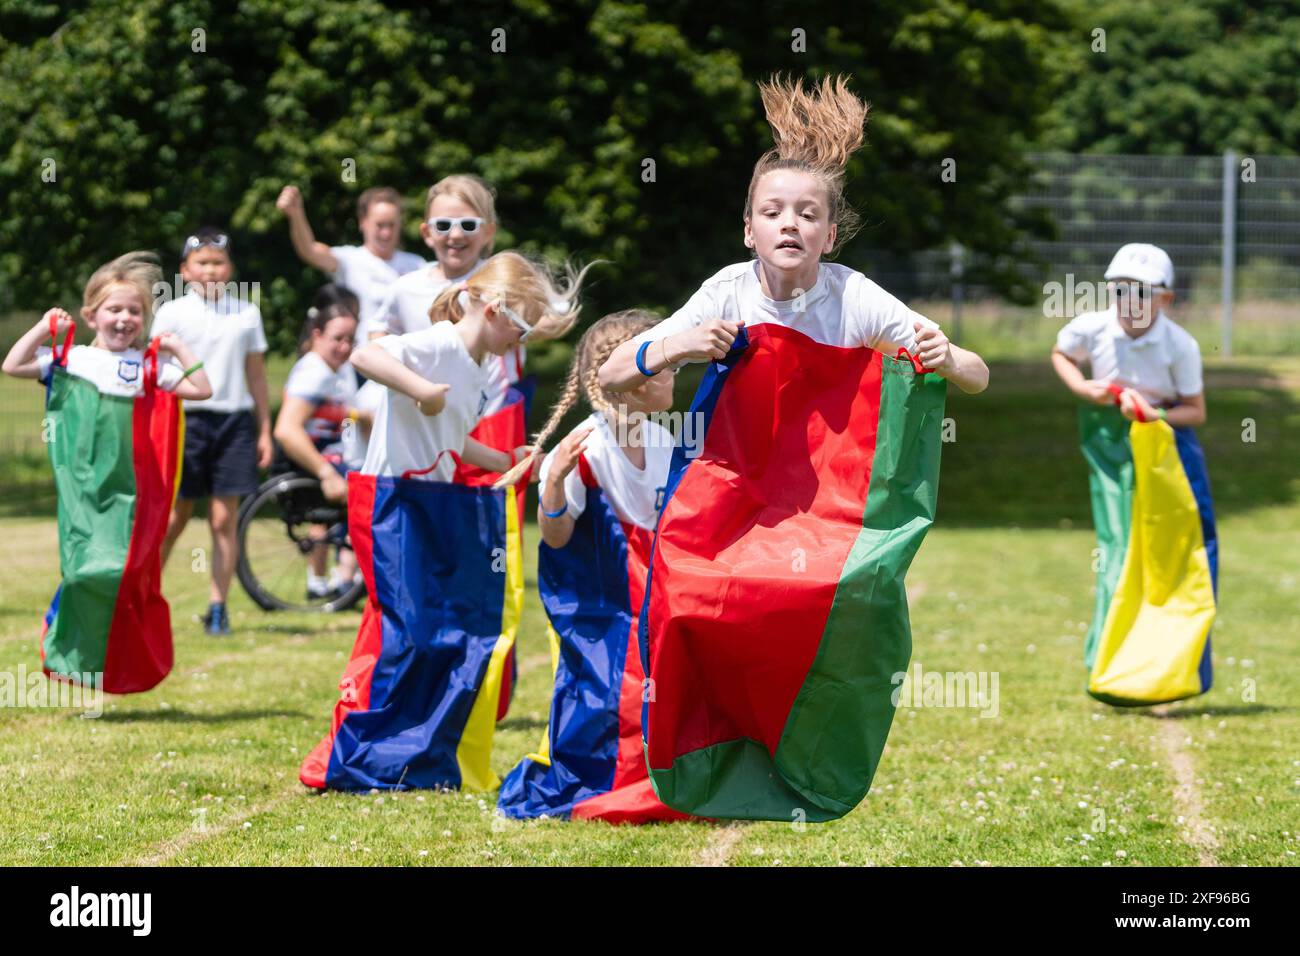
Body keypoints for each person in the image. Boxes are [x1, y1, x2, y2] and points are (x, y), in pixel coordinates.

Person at [594, 74, 989, 822]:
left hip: (829, 509)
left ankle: (808, 759)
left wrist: (945, 353)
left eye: (808, 214)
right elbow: (614, 373)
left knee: (850, 604)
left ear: (828, 235)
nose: (789, 224)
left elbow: (976, 374)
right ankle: (710, 750)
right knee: (689, 600)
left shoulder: (856, 296)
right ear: (748, 228)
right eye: (772, 211)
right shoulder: (725, 290)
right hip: (731, 495)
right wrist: (677, 344)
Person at [299, 251, 590, 793]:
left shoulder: (479, 370)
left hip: (434, 501)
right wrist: (420, 390)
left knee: (436, 634)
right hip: (394, 503)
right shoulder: (439, 345)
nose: (519, 344)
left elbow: (452, 442)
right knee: (409, 632)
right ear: (495, 309)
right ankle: (365, 753)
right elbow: (366, 354)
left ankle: (408, 755)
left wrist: (505, 461)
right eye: (522, 329)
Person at [497, 310, 691, 823]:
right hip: (600, 605)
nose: (672, 370)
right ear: (630, 378)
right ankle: (615, 780)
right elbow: (558, 539)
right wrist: (555, 483)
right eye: (662, 362)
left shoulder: (664, 440)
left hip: (651, 599)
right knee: (610, 694)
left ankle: (662, 776)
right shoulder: (586, 446)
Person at [2, 252, 212, 693]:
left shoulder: (149, 368)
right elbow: (13, 365)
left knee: (128, 574)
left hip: (133, 493)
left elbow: (201, 388)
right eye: (114, 309)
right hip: (84, 488)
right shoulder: (72, 360)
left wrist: (179, 349)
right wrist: (44, 329)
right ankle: (64, 634)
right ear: (91, 314)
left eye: (134, 311)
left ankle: (117, 663)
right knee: (84, 571)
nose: (124, 319)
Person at [1052, 243, 1216, 705]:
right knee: (1118, 551)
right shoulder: (1094, 327)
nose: (1129, 301)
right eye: (1120, 289)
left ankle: (1176, 666)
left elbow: (1196, 411)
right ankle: (1111, 659)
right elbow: (1062, 353)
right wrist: (1083, 387)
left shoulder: (1180, 345)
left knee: (1174, 555)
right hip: (1109, 440)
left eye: (1142, 292)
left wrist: (1151, 414)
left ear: (1165, 298)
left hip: (1164, 443)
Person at [154, 227, 273, 637]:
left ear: (230, 268)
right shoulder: (171, 314)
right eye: (201, 263)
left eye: (218, 263)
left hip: (233, 422)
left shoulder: (246, 313)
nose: (210, 271)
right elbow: (157, 372)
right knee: (174, 516)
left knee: (224, 520)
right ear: (185, 271)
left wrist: (265, 430)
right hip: (184, 420)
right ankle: (146, 595)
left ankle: (218, 606)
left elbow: (255, 375)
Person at [273, 284, 369, 600]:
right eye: (337, 339)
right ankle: (346, 579)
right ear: (317, 335)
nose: (344, 347)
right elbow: (287, 430)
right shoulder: (314, 372)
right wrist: (326, 473)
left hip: (336, 457)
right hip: (317, 467)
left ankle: (346, 578)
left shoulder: (329, 371)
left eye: (350, 341)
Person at [276, 184, 426, 346]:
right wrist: (296, 214)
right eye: (380, 225)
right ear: (363, 222)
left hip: (405, 361)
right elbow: (310, 251)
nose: (386, 233)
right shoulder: (349, 260)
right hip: (360, 361)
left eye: (392, 225)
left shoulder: (417, 264)